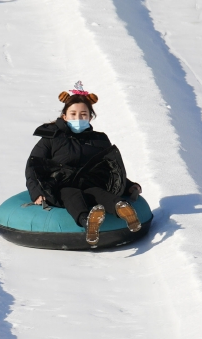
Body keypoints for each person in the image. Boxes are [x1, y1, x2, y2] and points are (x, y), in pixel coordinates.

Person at [25, 85, 143, 248]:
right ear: (64, 116)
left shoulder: (99, 140)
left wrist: (129, 185)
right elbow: (33, 166)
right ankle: (88, 222)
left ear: (90, 117)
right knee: (70, 193)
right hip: (61, 186)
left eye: (83, 114)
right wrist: (37, 193)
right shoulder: (51, 138)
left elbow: (109, 170)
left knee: (97, 192)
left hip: (91, 184)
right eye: (73, 114)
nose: (78, 118)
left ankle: (123, 209)